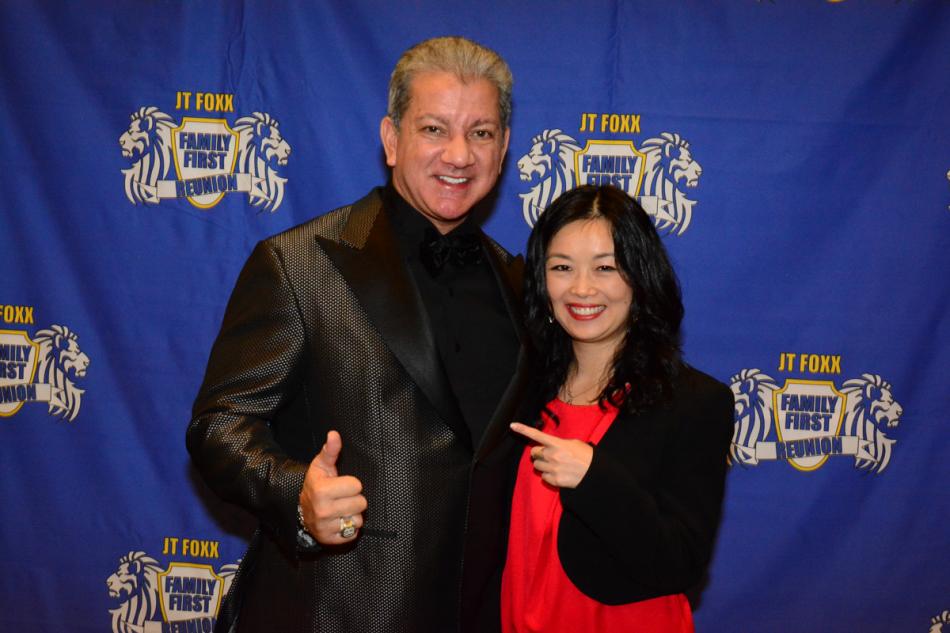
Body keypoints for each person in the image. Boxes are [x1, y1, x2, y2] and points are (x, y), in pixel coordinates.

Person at [187, 36, 527, 633]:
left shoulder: (521, 283)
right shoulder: (298, 264)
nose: (459, 154)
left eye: (481, 132)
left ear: (501, 150)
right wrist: (296, 493)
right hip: (335, 612)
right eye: (433, 129)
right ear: (391, 140)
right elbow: (219, 426)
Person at [501, 184, 734, 632]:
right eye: (562, 267)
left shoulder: (694, 402)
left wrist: (594, 478)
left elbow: (681, 562)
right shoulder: (520, 388)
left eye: (605, 267)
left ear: (640, 278)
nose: (582, 288)